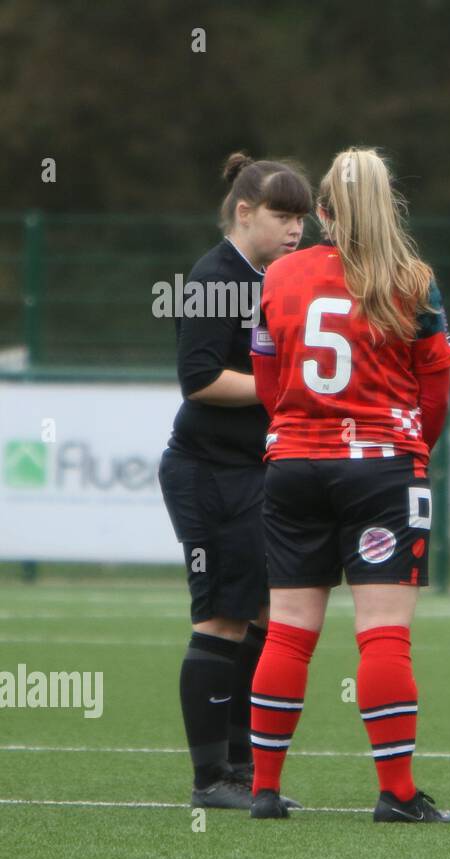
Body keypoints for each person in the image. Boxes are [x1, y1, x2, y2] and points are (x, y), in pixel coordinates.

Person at [247, 147, 450, 822]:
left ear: (325, 211)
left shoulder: (280, 274)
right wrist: (409, 448)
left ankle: (263, 790)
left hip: (294, 465)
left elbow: (269, 385)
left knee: (286, 632)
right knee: (383, 634)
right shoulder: (412, 278)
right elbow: (436, 393)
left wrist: (302, 428)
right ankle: (395, 793)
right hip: (381, 468)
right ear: (388, 203)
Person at [158, 152, 311, 810]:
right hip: (207, 472)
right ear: (244, 213)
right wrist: (286, 391)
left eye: (302, 218)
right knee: (221, 617)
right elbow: (199, 379)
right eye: (282, 216)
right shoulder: (215, 276)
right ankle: (208, 779)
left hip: (253, 473)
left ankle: (244, 769)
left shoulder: (278, 277)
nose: (295, 230)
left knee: (263, 617)